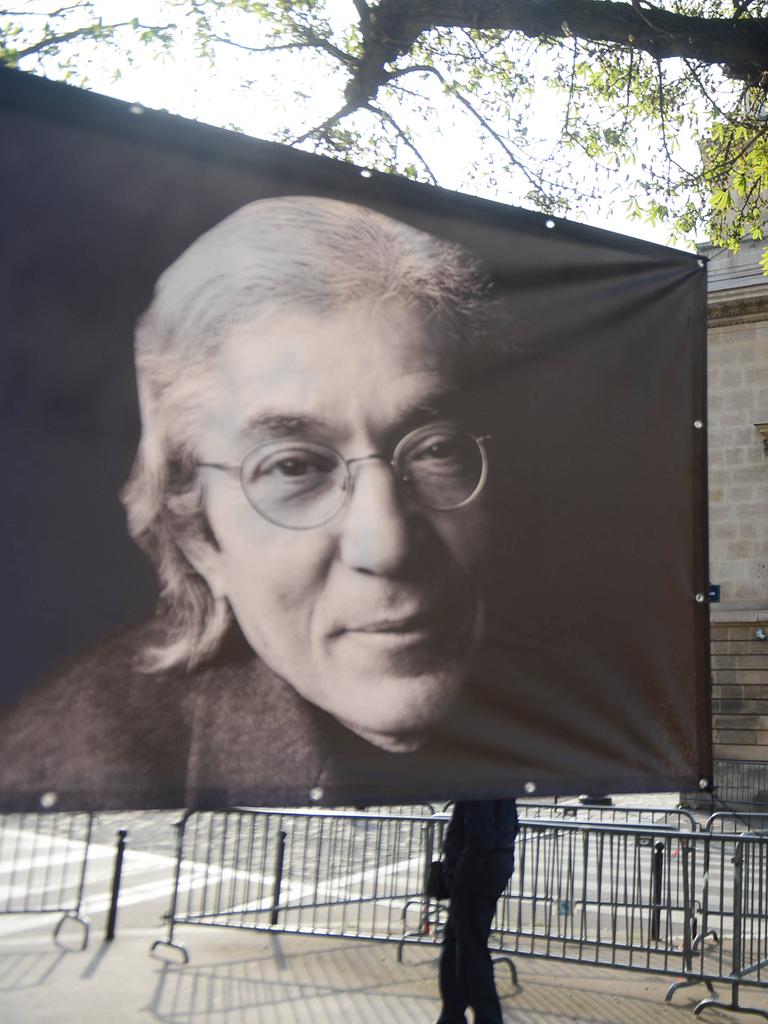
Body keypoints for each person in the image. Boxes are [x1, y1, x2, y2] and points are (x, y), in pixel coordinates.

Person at [0, 195, 511, 811]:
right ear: (198, 534)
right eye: (293, 466)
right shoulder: (75, 761)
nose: (388, 543)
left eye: (434, 450)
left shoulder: (575, 681)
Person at [437, 799, 518, 1024]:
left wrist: (458, 875)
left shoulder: (481, 783)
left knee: (469, 953)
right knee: (459, 947)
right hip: (485, 871)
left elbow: (480, 838)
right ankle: (453, 1014)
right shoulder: (494, 779)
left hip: (476, 876)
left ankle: (484, 1016)